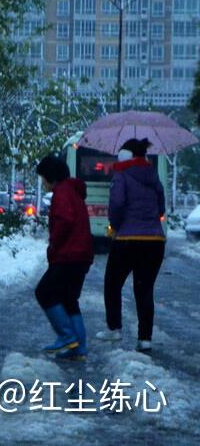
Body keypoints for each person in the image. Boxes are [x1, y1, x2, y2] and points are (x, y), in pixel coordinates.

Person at [97, 138, 166, 353]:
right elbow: (161, 207)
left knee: (112, 283)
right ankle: (145, 339)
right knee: (144, 289)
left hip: (127, 239)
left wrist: (115, 226)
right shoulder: (153, 174)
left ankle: (114, 328)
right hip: (155, 241)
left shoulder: (122, 174)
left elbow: (116, 204)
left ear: (124, 156)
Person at [34, 154, 94, 361]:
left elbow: (64, 222)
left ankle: (67, 336)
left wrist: (53, 245)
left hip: (69, 254)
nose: (43, 182)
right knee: (69, 300)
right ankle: (79, 349)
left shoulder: (62, 193)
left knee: (44, 292)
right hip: (82, 254)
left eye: (43, 178)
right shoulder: (73, 191)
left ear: (51, 176)